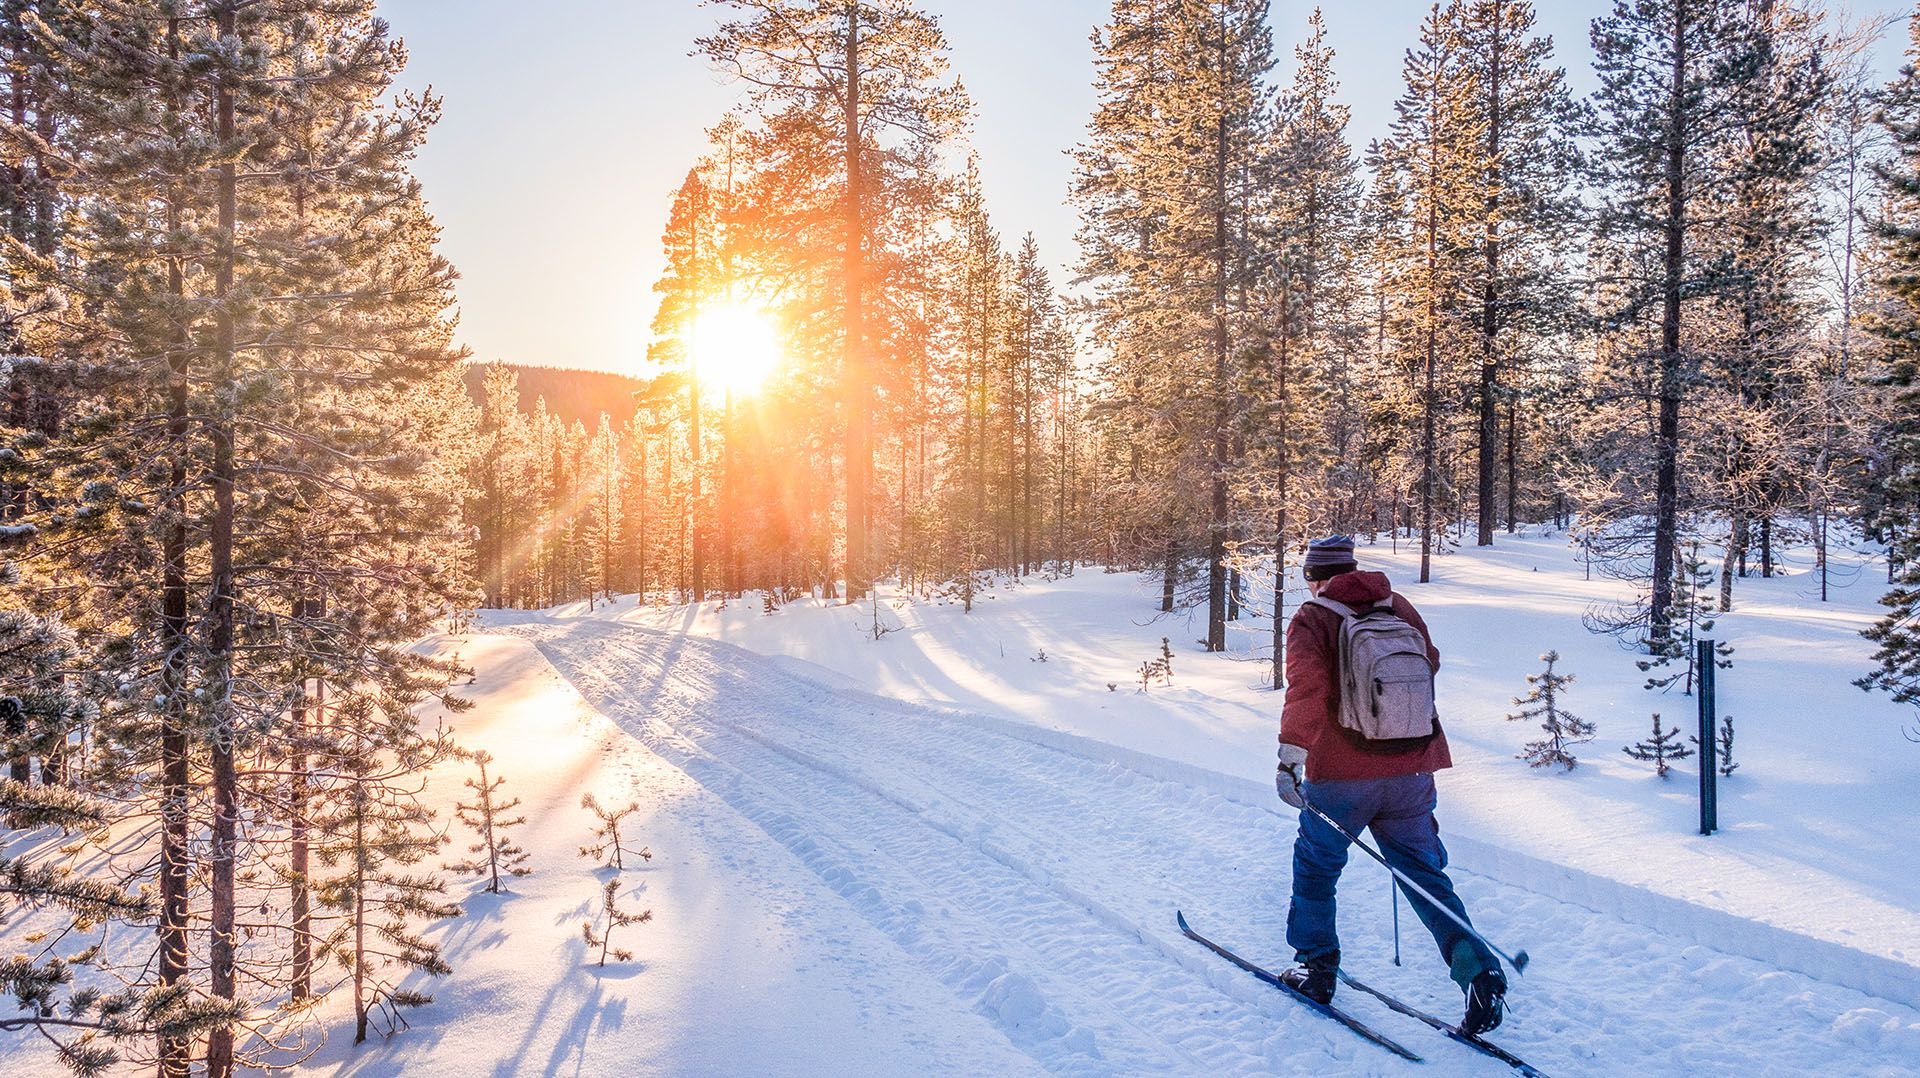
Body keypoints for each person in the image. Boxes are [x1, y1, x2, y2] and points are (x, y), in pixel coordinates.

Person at [1273, 535, 1507, 1035]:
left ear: (1315, 576)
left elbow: (1307, 690)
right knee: (1425, 876)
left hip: (1341, 776)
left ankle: (1316, 970)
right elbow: (1430, 663)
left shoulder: (1313, 617)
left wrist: (1292, 755)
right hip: (1411, 769)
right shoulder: (1398, 606)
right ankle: (1479, 972)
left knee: (1316, 869)